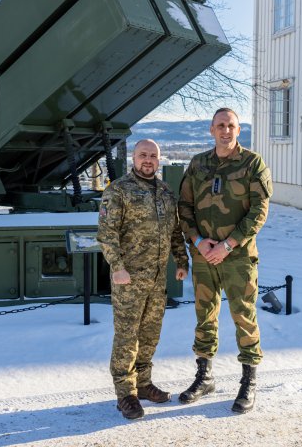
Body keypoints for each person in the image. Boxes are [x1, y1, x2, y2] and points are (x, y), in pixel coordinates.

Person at [177, 108, 272, 414]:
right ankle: (204, 376)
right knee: (204, 314)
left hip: (238, 257)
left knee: (243, 315)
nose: (225, 130)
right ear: (211, 129)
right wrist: (198, 242)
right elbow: (185, 206)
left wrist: (229, 244)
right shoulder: (198, 163)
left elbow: (259, 211)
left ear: (238, 129)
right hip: (204, 255)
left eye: (231, 125)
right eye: (220, 125)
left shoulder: (252, 163)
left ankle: (248, 381)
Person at [97, 139, 189, 420]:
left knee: (150, 334)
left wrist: (181, 260)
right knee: (127, 337)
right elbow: (106, 232)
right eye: (142, 155)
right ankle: (125, 393)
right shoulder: (119, 190)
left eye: (152, 156)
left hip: (157, 278)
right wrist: (117, 267)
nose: (147, 160)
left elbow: (174, 231)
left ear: (158, 160)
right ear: (134, 159)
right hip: (129, 279)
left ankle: (144, 384)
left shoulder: (164, 191)